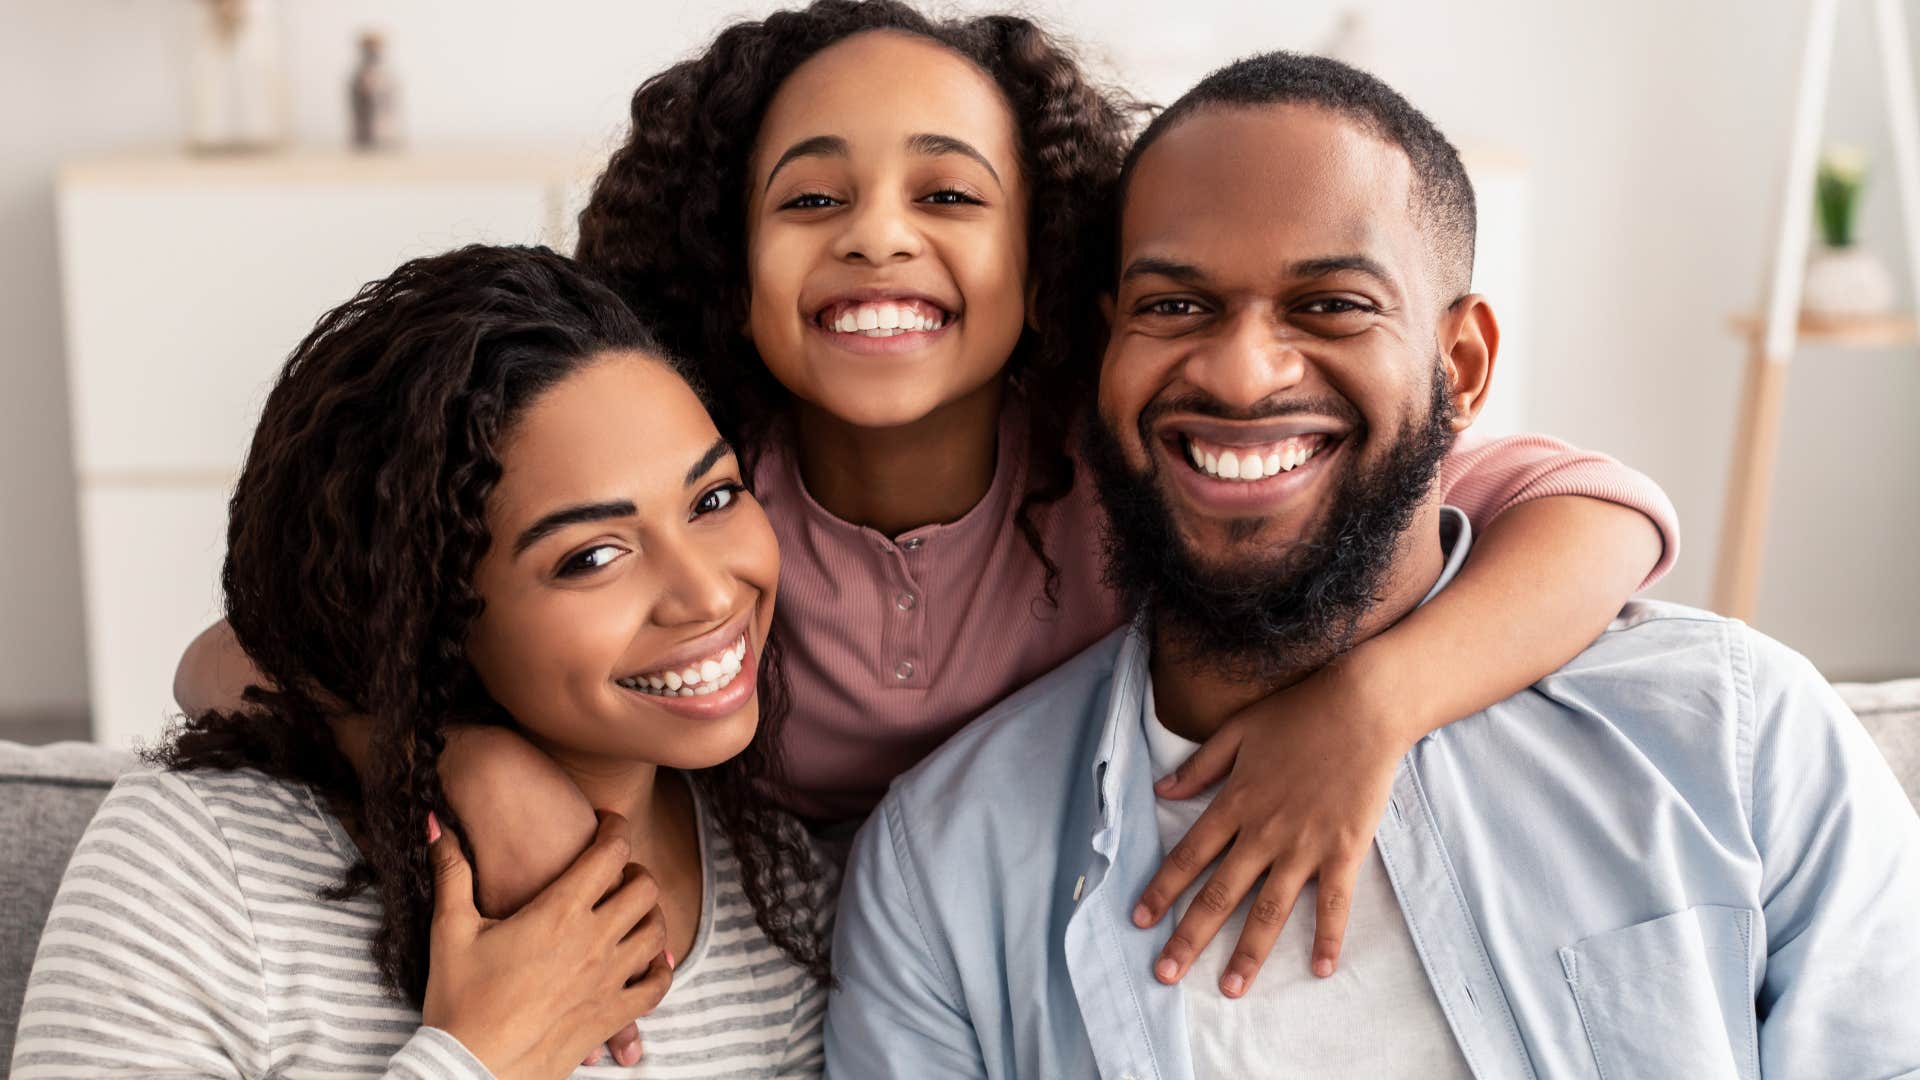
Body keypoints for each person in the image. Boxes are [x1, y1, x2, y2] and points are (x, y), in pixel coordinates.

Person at [179, 0, 1681, 988]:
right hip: (810, 960)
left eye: (950, 196)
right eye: (812, 198)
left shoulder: (1141, 462)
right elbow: (233, 653)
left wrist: (1371, 704)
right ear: (728, 258)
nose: (879, 239)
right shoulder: (706, 496)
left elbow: (1596, 509)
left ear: (1050, 260)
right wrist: (449, 749)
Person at [825, 52, 1920, 1079]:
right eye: (1175, 305)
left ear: (1462, 365)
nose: (1245, 373)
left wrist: (1372, 703)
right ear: (1107, 349)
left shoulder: (1736, 738)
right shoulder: (944, 870)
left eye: (1330, 305)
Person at [14, 246, 831, 1079]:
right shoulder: (202, 864)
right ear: (431, 608)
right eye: (591, 556)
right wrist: (488, 1054)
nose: (704, 594)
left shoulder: (781, 893)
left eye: (714, 498)